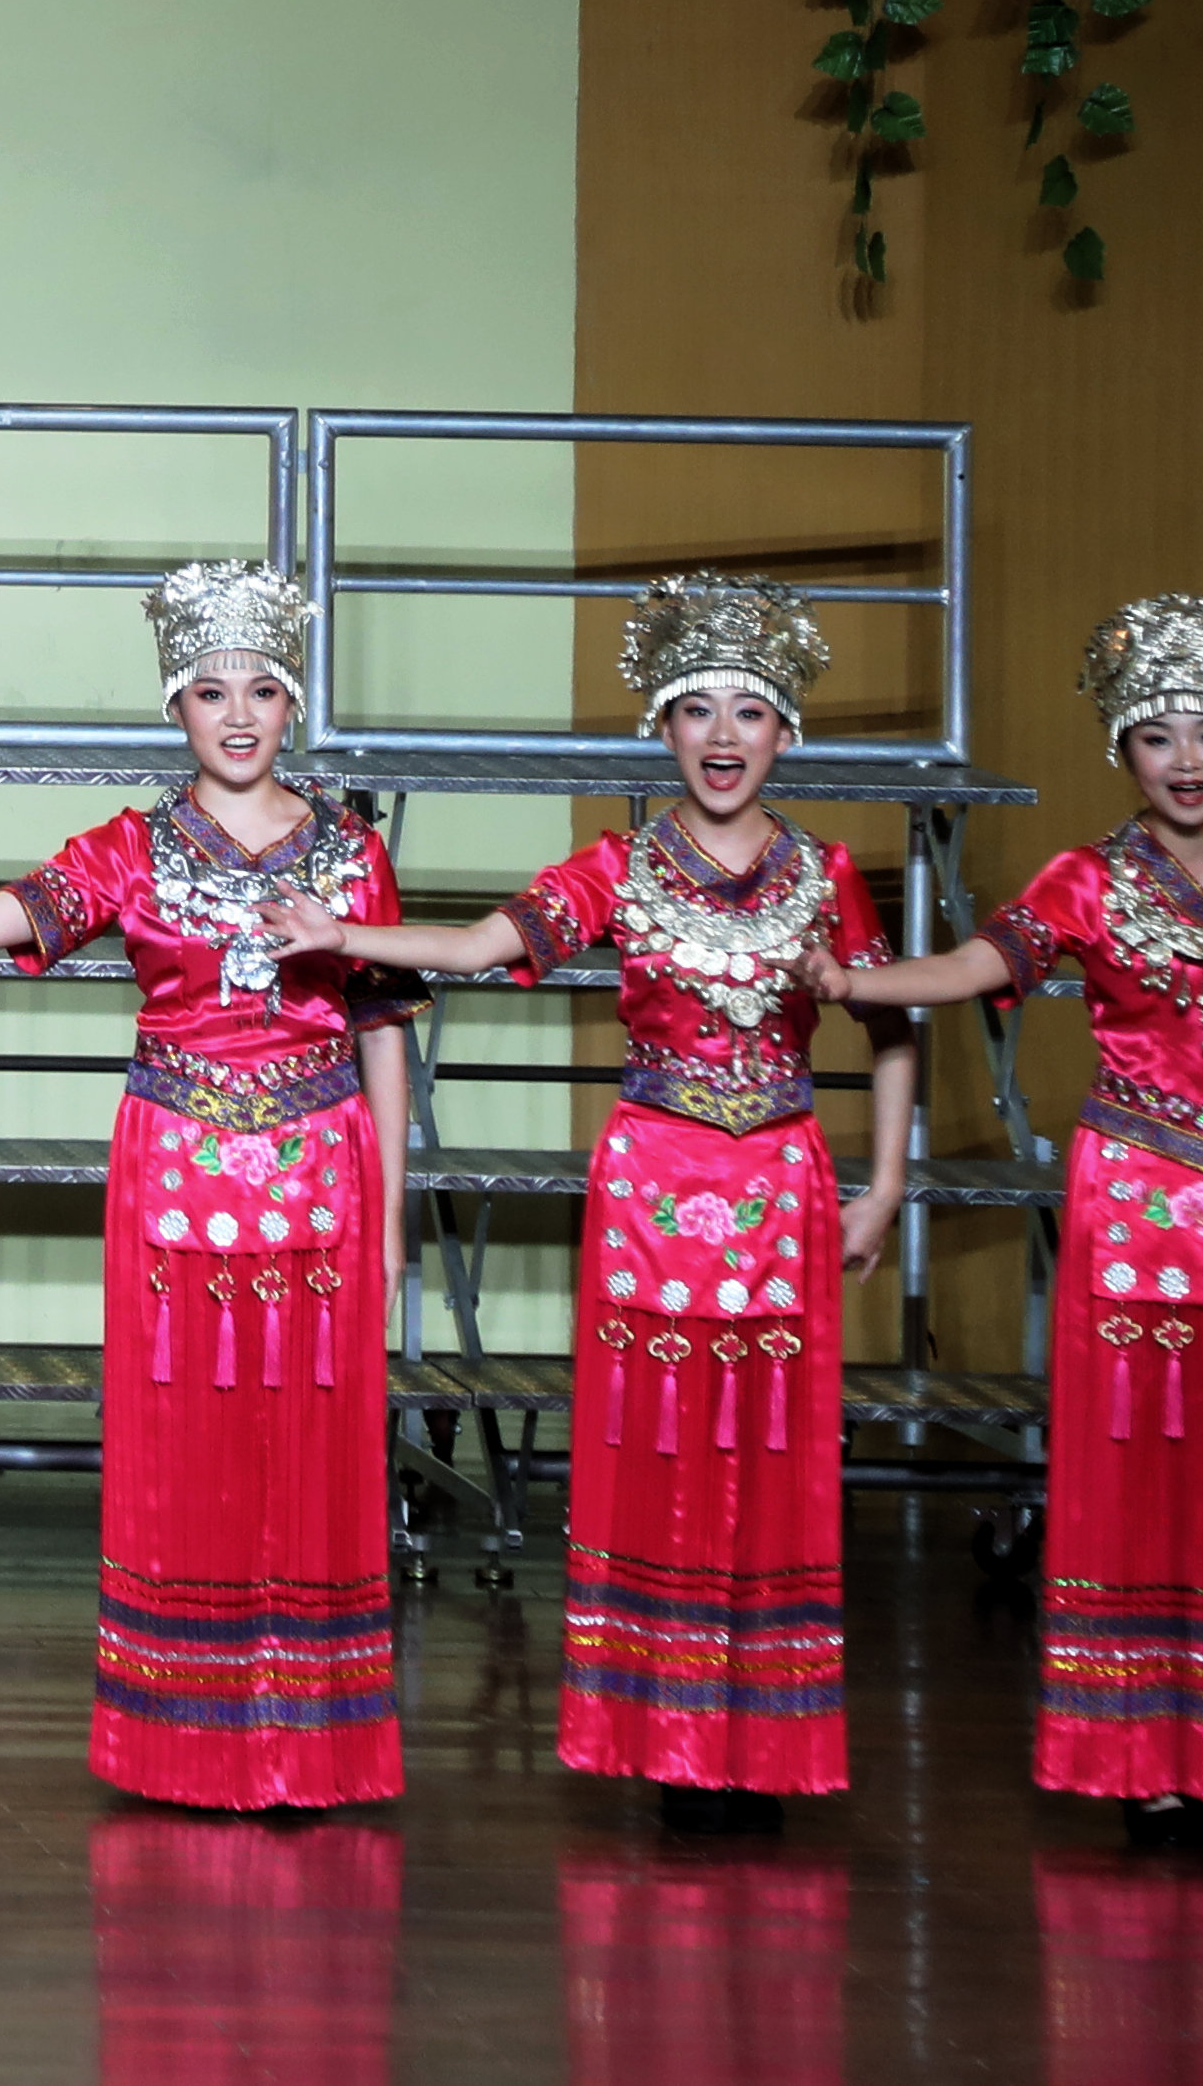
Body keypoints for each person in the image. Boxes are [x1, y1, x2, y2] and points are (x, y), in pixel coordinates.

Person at [263, 573, 906, 1833]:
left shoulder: (826, 872)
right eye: (697, 710)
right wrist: (347, 935)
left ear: (786, 731)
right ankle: (670, 1735)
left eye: (748, 711)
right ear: (662, 727)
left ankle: (763, 1737)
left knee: (772, 1452)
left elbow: (891, 1025)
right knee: (661, 1448)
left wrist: (882, 1182)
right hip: (656, 1192)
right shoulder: (621, 865)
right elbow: (475, 947)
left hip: (781, 1195)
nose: (722, 737)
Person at [0, 561, 419, 1811]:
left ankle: (307, 1741)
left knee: (310, 1447)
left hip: (322, 1186)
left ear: (292, 702)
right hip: (179, 1184)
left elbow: (384, 1034)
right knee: (189, 1444)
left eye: (260, 689)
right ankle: (186, 1738)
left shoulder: (352, 854)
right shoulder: (130, 849)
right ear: (174, 704)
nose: (236, 714)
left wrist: (394, 1213)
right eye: (209, 691)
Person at [819, 593, 1203, 1846]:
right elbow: (981, 965)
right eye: (1157, 736)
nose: (1185, 759)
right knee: (1134, 1461)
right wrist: (858, 977)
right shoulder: (1089, 877)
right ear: (1124, 748)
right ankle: (1142, 1757)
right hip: (1135, 1210)